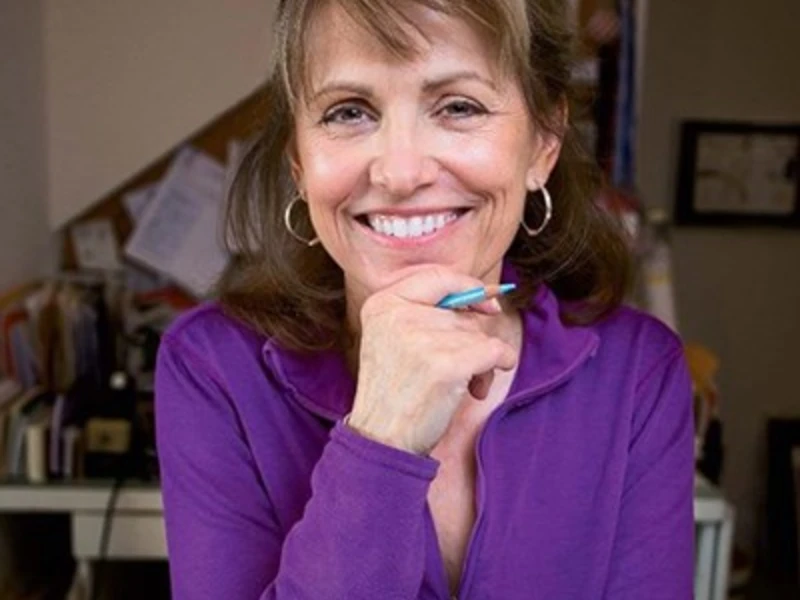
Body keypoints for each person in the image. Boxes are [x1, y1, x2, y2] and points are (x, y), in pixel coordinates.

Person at [155, 1, 694, 598]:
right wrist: (380, 441)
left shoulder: (638, 373)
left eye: (459, 106)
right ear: (300, 163)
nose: (401, 172)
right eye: (349, 112)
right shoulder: (212, 367)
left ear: (544, 144)